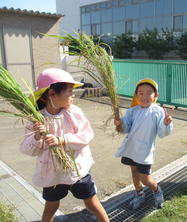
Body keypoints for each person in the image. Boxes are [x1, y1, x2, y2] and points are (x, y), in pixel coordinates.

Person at [19, 68, 109, 222]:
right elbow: (27, 149)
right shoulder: (37, 119)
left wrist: (62, 140)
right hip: (52, 173)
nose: (73, 95)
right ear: (52, 93)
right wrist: (37, 136)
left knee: (92, 202)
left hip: (77, 169)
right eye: (69, 91)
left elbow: (86, 135)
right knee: (51, 206)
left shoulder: (74, 112)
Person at [114, 78, 173, 209]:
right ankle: (139, 194)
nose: (144, 96)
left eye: (149, 93)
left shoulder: (158, 111)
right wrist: (120, 125)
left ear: (156, 95)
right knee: (134, 173)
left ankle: (157, 190)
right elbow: (126, 128)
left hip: (145, 151)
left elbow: (162, 133)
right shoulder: (132, 111)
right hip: (131, 149)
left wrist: (166, 124)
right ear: (136, 95)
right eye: (140, 93)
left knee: (145, 179)